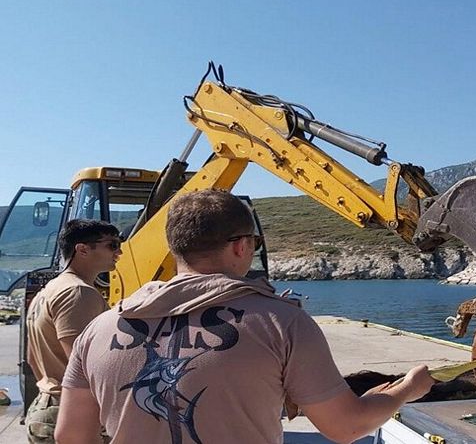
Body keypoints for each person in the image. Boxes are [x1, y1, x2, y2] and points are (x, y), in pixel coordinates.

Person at [56, 189, 435, 444]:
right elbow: (346, 426)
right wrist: (406, 389)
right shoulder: (280, 321)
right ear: (241, 245)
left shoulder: (100, 329)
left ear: (175, 248)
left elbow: (70, 436)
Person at [25, 219, 120, 443]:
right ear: (82, 249)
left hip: (49, 404)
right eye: (112, 245)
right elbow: (82, 365)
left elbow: (31, 358)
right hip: (71, 413)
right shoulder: (77, 292)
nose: (119, 251)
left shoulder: (48, 290)